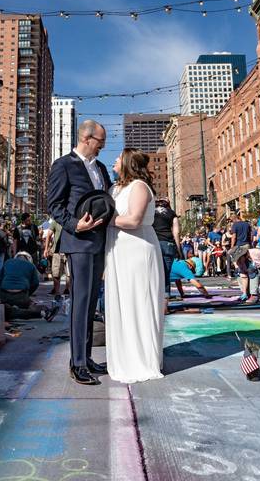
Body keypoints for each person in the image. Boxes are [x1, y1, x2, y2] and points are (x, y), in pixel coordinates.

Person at [47, 119, 112, 386]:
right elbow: (54, 205)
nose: (103, 147)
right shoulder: (63, 165)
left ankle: (86, 357)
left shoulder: (101, 168)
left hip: (100, 243)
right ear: (86, 139)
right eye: (100, 142)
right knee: (81, 302)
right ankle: (77, 364)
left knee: (91, 303)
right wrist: (76, 225)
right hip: (79, 242)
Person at [105, 148, 164, 384]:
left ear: (128, 162)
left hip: (137, 249)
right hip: (119, 250)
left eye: (119, 157)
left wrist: (103, 220)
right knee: (122, 303)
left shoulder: (139, 186)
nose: (115, 160)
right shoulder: (115, 188)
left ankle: (141, 359)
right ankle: (124, 357)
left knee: (139, 302)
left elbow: (134, 220)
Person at [0, 251, 60, 321]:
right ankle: (43, 312)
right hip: (21, 294)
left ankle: (44, 312)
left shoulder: (8, 262)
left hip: (4, 294)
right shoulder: (31, 265)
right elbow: (35, 283)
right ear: (28, 259)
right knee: (27, 305)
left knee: (9, 309)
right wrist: (28, 294)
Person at [152, 197, 181, 298]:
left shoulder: (150, 212)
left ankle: (154, 299)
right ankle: (165, 302)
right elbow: (176, 232)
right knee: (165, 274)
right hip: (168, 244)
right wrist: (178, 249)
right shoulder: (171, 213)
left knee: (153, 272)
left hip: (153, 243)